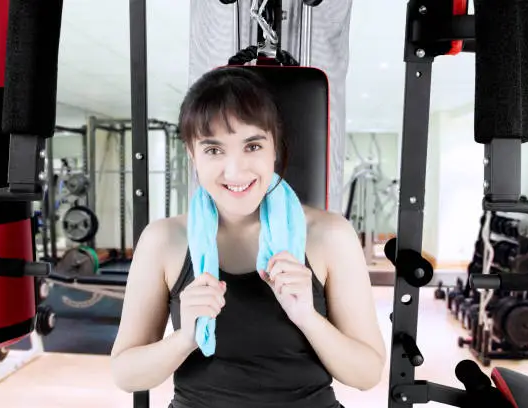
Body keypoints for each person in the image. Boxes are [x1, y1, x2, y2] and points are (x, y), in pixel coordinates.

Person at [110, 66, 386, 408]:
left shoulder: (329, 235)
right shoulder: (164, 240)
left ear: (275, 149)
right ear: (192, 155)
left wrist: (308, 317)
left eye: (252, 146)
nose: (235, 171)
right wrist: (184, 338)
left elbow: (366, 375)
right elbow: (126, 374)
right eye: (213, 150)